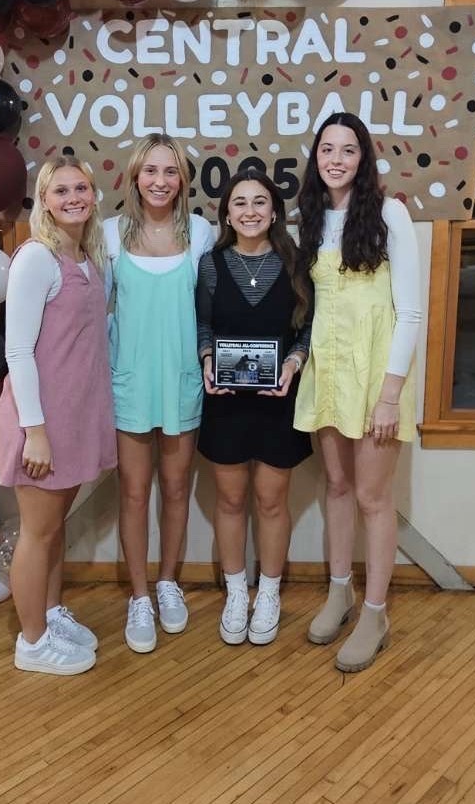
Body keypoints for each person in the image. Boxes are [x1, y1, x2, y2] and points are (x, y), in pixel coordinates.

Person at [294, 112, 421, 673]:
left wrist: (390, 395)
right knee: (339, 486)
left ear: (363, 160)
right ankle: (339, 592)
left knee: (373, 497)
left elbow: (411, 311)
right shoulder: (313, 218)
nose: (337, 159)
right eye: (328, 149)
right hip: (329, 369)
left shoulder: (390, 214)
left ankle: (375, 611)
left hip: (376, 376)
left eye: (349, 150)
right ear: (316, 157)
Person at [0, 157, 117, 675]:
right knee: (37, 532)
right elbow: (18, 352)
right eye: (61, 190)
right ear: (44, 200)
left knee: (55, 526)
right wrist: (35, 433)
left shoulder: (87, 255)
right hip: (41, 421)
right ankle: (31, 643)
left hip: (75, 413)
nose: (74, 197)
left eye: (82, 188)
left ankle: (48, 612)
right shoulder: (36, 258)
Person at [104, 133, 215, 654]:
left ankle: (169, 582)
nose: (160, 181)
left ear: (183, 181)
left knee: (175, 490)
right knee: (132, 493)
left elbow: (214, 312)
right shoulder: (107, 236)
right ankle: (140, 595)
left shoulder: (200, 232)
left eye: (170, 172)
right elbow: (90, 317)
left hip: (180, 382)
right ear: (133, 177)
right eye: (150, 171)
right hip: (129, 384)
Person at [196, 169, 313, 646]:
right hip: (224, 402)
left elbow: (307, 328)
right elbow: (202, 326)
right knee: (229, 500)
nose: (249, 211)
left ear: (275, 211)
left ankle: (268, 591)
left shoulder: (296, 263)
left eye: (260, 202)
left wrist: (293, 362)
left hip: (277, 401)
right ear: (226, 212)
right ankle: (235, 591)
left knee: (270, 501)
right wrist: (207, 360)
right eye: (239, 203)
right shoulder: (210, 264)